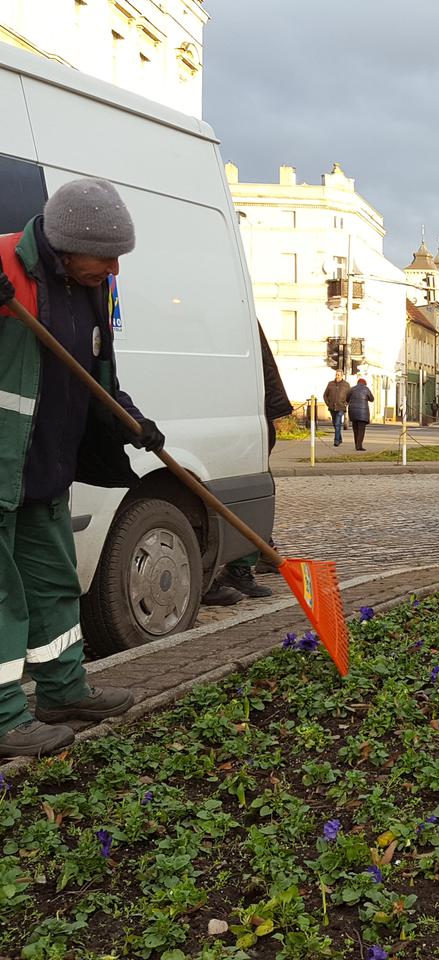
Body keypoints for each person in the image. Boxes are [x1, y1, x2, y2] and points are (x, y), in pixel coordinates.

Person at [0, 178, 156, 757]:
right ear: (66, 245)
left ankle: (64, 691)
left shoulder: (91, 288)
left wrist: (129, 418)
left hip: (46, 468)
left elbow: (96, 371)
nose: (115, 268)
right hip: (1, 466)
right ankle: (4, 718)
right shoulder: (6, 268)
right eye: (106, 255)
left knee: (53, 586)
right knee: (3, 598)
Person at [203, 326, 292, 605]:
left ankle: (245, 563)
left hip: (241, 412)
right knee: (242, 493)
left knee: (247, 491)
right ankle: (253, 556)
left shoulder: (230, 308)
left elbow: (257, 358)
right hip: (234, 411)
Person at [323, 371, 350, 447]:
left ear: (342, 376)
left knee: (338, 424)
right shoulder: (330, 383)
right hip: (332, 407)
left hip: (341, 407)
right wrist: (328, 403)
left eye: (338, 375)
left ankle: (336, 441)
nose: (337, 376)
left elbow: (349, 395)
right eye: (336, 375)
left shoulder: (346, 385)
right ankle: (340, 438)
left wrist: (346, 403)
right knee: (335, 424)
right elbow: (325, 395)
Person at [347, 377, 374, 450]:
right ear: (364, 384)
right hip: (363, 413)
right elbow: (372, 399)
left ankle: (356, 444)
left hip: (352, 412)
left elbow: (347, 399)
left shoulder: (352, 389)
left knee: (355, 429)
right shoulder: (366, 389)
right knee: (361, 430)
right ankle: (359, 446)